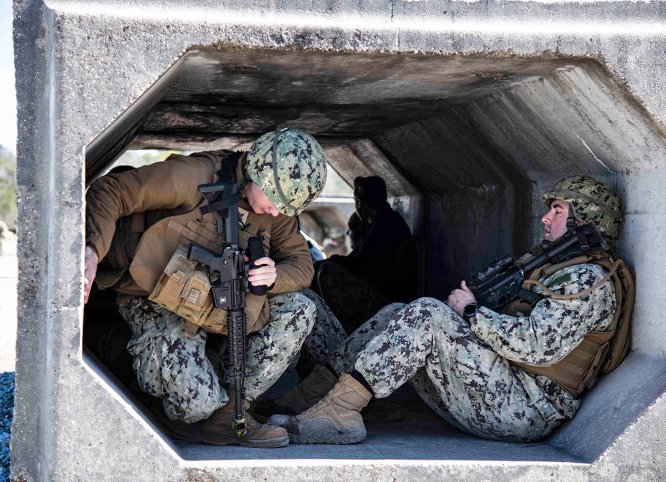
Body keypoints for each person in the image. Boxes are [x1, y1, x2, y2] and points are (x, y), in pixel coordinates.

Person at [272, 175, 633, 444]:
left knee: (428, 313)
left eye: (557, 211)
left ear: (584, 221)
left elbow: (536, 346)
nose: (545, 218)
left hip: (524, 406)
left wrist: (473, 312)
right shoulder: (558, 267)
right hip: (503, 386)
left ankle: (340, 414)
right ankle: (321, 393)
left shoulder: (589, 280)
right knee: (399, 311)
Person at [84, 128, 327, 448]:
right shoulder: (194, 176)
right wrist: (91, 250)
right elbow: (112, 190)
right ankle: (112, 347)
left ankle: (229, 416)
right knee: (193, 405)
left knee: (301, 307)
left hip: (220, 302)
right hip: (155, 297)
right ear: (258, 171)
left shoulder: (275, 210)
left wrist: (274, 275)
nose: (277, 212)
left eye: (287, 207)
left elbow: (301, 263)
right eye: (275, 201)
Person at [312, 176, 417, 334]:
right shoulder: (383, 222)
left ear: (359, 202)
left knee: (327, 273)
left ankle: (343, 332)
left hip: (387, 301)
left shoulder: (384, 226)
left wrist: (328, 263)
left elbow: (359, 266)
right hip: (387, 295)